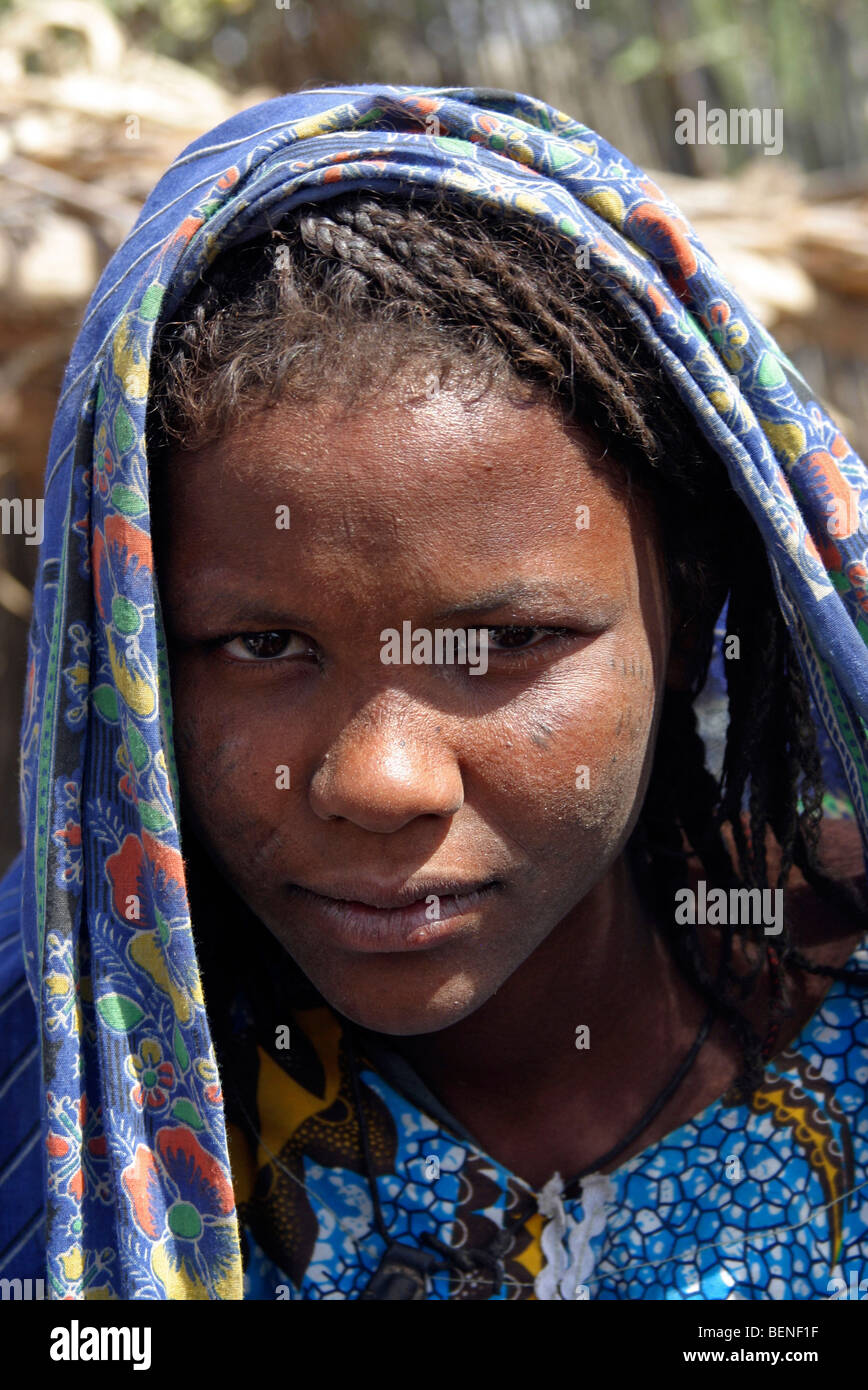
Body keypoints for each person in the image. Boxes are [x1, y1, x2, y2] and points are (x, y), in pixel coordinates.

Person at [1, 84, 867, 1301]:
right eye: (260, 645)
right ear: (130, 667)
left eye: (504, 641)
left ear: (685, 607)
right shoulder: (62, 1113)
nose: (379, 781)